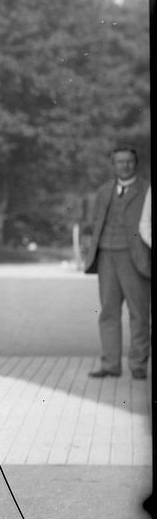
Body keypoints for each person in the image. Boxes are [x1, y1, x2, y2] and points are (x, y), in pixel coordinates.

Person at [82, 146, 151, 379]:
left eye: (129, 161)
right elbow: (96, 222)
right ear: (113, 164)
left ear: (136, 163)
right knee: (109, 312)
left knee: (139, 314)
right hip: (106, 256)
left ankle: (139, 367)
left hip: (135, 257)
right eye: (120, 162)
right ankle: (110, 365)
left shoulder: (146, 189)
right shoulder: (104, 191)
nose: (125, 166)